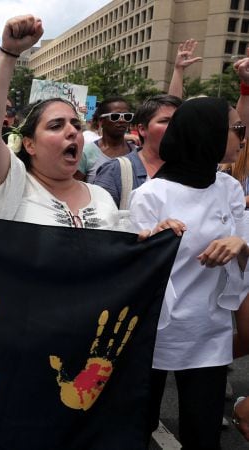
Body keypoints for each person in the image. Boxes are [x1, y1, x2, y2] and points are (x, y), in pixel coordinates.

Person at [0, 15, 180, 236]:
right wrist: (9, 53)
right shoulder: (11, 185)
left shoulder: (101, 197)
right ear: (29, 144)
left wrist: (151, 240)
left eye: (76, 124)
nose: (72, 131)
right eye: (56, 126)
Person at [128, 96, 249, 450]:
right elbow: (135, 268)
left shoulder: (226, 186)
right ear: (207, 133)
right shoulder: (151, 195)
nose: (242, 135)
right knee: (139, 425)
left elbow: (244, 239)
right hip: (157, 331)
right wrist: (154, 239)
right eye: (236, 128)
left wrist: (238, 244)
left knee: (203, 432)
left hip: (209, 330)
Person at [93, 95, 183, 208]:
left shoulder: (194, 170)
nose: (174, 127)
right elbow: (100, 221)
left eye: (178, 121)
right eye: (165, 121)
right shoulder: (115, 171)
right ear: (142, 129)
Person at [77, 96, 136, 183]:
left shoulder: (137, 152)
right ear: (101, 121)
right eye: (115, 116)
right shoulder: (87, 152)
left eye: (127, 116)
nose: (122, 120)